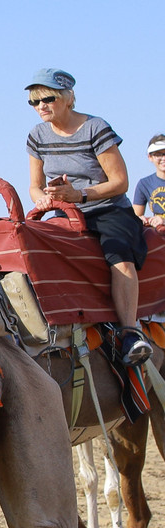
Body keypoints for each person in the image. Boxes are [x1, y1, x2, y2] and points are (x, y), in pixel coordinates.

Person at [25, 68, 152, 366]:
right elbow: (32, 185)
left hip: (107, 209)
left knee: (119, 256)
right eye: (34, 101)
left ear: (68, 98)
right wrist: (43, 198)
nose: (40, 106)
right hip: (64, 212)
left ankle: (130, 332)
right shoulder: (36, 135)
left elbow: (120, 182)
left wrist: (80, 196)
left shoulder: (95, 127)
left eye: (47, 98)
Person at [133, 133, 165, 228]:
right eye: (158, 154)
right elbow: (136, 215)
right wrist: (142, 219)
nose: (163, 158)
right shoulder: (144, 184)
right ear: (150, 157)